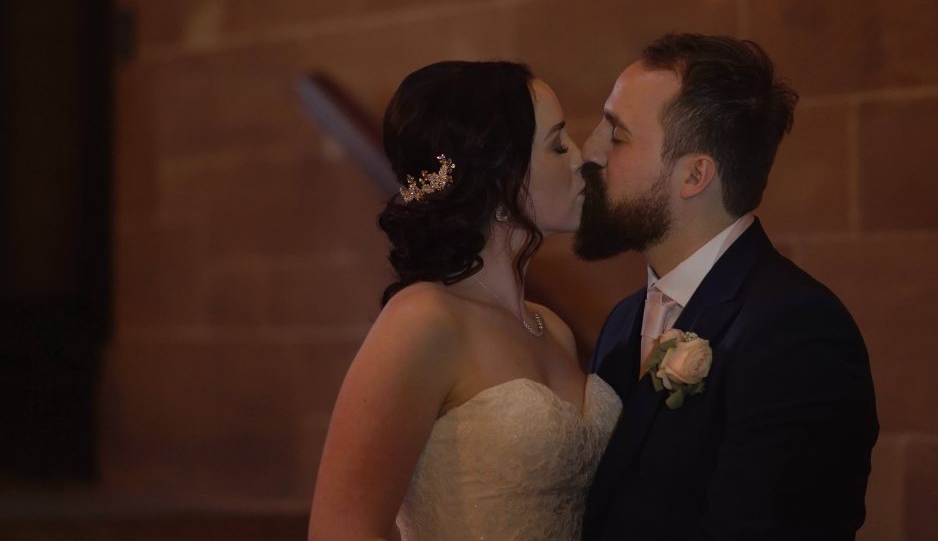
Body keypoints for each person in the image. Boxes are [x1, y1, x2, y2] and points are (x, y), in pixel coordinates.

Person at [575, 33, 879, 539]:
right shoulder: (624, 320)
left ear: (695, 175)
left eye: (617, 133)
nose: (591, 151)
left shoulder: (794, 331)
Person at [309, 60, 622, 541]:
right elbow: (342, 530)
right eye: (557, 144)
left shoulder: (551, 327)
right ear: (500, 176)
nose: (579, 158)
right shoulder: (422, 320)